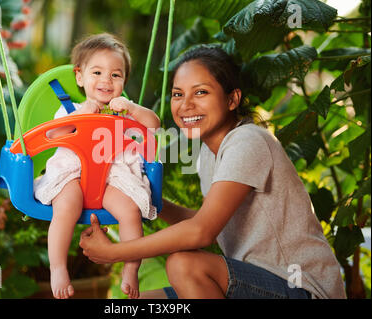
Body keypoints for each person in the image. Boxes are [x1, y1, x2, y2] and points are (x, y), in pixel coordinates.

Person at [79, 45, 346, 299]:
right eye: (178, 94)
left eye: (201, 92)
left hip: (301, 288)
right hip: (253, 284)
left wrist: (115, 252)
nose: (186, 105)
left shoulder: (248, 141)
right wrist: (147, 199)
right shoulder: (209, 153)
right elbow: (210, 222)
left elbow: (201, 232)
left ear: (232, 99)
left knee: (183, 265)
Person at [33, 33, 161, 299]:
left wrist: (132, 107)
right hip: (73, 175)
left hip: (112, 178)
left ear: (124, 80)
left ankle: (131, 267)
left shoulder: (126, 112)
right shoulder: (70, 110)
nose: (106, 80)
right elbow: (54, 136)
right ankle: (58, 268)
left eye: (116, 75)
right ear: (80, 77)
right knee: (65, 207)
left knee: (129, 210)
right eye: (97, 72)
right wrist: (83, 115)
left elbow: (154, 124)